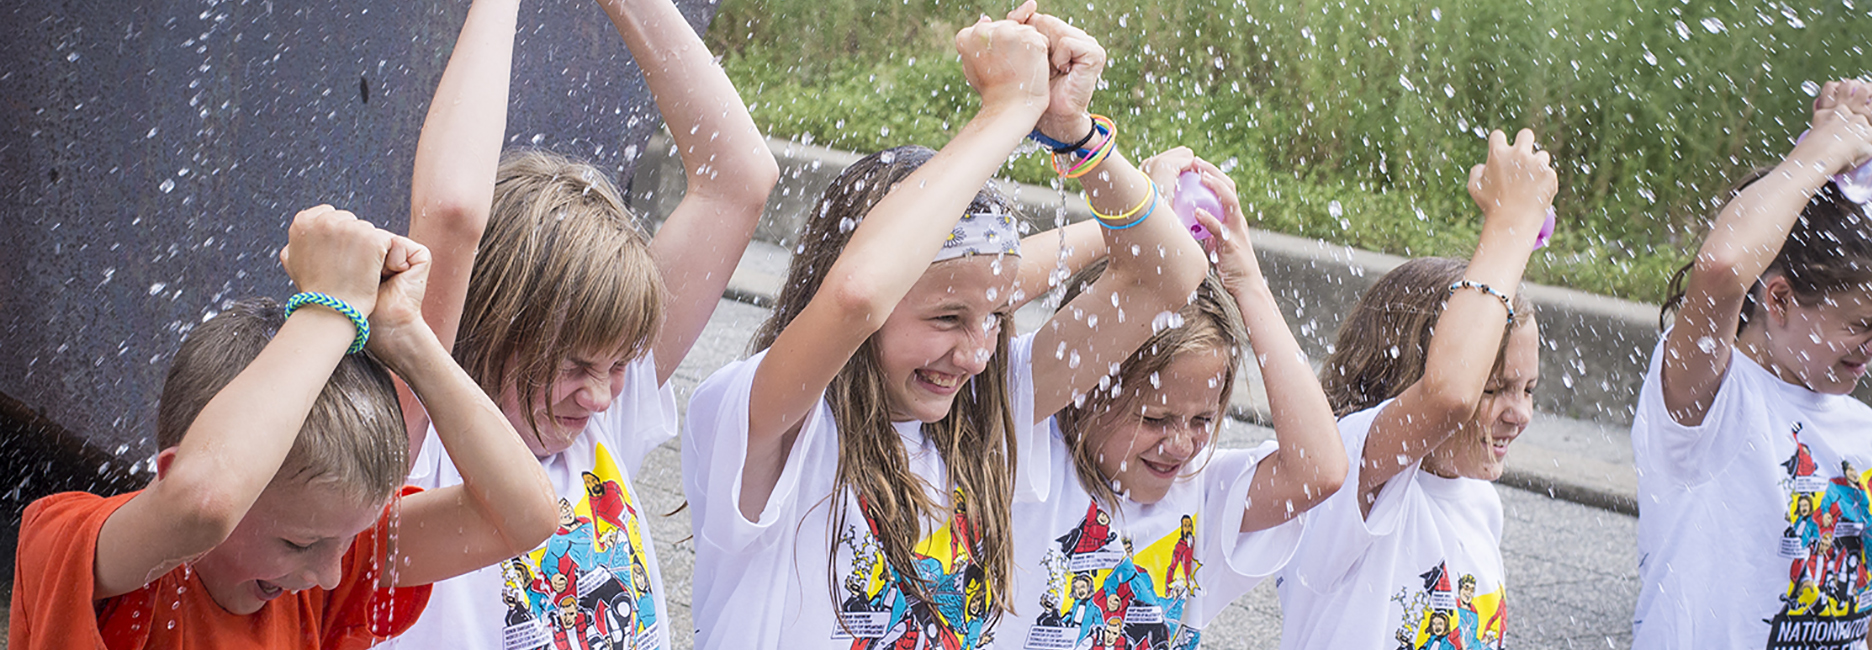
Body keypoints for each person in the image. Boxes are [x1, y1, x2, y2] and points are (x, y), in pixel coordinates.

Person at [680, 4, 1208, 647]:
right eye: (947, 320)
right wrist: (1006, 110)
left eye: (996, 317)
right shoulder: (773, 424)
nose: (977, 354)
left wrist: (1074, 135)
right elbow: (858, 295)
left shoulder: (987, 414)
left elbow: (1170, 274)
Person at [383, 0, 779, 647]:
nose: (599, 394)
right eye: (573, 367)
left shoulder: (598, 427)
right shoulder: (419, 449)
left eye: (619, 365)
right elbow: (451, 212)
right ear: (489, 328)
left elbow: (738, 179)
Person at [7, 206, 559, 650]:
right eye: (299, 543)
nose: (327, 575)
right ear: (170, 476)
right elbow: (204, 502)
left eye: (340, 546)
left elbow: (524, 518)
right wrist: (330, 308)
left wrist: (406, 337)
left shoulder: (332, 550)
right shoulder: (72, 546)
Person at [993, 148, 1346, 649]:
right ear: (1085, 388)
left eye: (1202, 418)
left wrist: (1247, 281)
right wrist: (1134, 221)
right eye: (1156, 418)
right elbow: (983, 292)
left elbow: (1321, 470)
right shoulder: (1021, 456)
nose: (1182, 445)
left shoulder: (1200, 495)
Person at [1632, 79, 1872, 648]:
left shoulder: (1868, 439)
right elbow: (1724, 265)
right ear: (1778, 299)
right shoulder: (1712, 399)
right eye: (1863, 325)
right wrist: (1822, 150)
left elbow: (1865, 616)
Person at [1274, 129, 1556, 649]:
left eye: (1528, 389)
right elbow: (1449, 396)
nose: (1519, 413)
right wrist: (1511, 223)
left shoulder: (1479, 503)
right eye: (1494, 389)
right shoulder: (1356, 476)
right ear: (1407, 374)